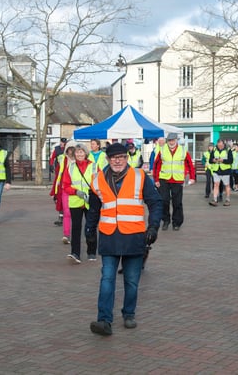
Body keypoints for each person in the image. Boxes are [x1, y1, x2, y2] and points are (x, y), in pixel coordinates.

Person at [85, 142, 163, 336]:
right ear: (108, 159)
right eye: (113, 158)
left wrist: (153, 227)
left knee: (131, 281)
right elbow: (94, 208)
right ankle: (104, 319)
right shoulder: (98, 179)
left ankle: (129, 313)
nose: (117, 161)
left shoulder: (140, 176)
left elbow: (155, 202)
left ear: (127, 158)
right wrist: (89, 230)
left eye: (120, 157)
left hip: (134, 236)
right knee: (107, 278)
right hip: (109, 236)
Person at [62, 143, 96, 262]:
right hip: (76, 201)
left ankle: (91, 252)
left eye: (81, 152)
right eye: (77, 152)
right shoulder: (70, 167)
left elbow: (99, 182)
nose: (79, 154)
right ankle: (75, 253)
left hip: (90, 200)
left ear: (85, 153)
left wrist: (93, 194)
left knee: (90, 226)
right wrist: (76, 192)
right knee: (76, 228)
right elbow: (65, 185)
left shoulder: (94, 166)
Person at [153, 132, 195, 230]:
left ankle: (177, 222)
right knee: (164, 201)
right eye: (170, 140)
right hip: (164, 178)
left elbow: (190, 165)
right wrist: (156, 179)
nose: (171, 142)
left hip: (177, 179)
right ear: (167, 141)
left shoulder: (183, 150)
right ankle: (166, 220)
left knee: (177, 202)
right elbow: (156, 165)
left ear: (176, 140)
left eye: (173, 140)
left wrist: (192, 177)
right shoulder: (162, 150)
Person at [54, 145, 76, 242]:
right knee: (67, 212)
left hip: (77, 189)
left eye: (73, 149)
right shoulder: (62, 159)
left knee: (76, 214)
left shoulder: (81, 160)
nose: (71, 151)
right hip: (65, 187)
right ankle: (66, 235)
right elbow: (58, 172)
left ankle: (77, 234)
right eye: (69, 149)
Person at [208, 138, 233, 206]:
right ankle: (214, 200)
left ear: (223, 144)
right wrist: (213, 160)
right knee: (216, 184)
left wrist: (223, 161)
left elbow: (231, 161)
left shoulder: (228, 150)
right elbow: (210, 160)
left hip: (225, 171)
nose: (220, 146)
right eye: (218, 145)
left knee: (227, 185)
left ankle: (227, 200)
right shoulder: (214, 150)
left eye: (221, 145)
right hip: (216, 170)